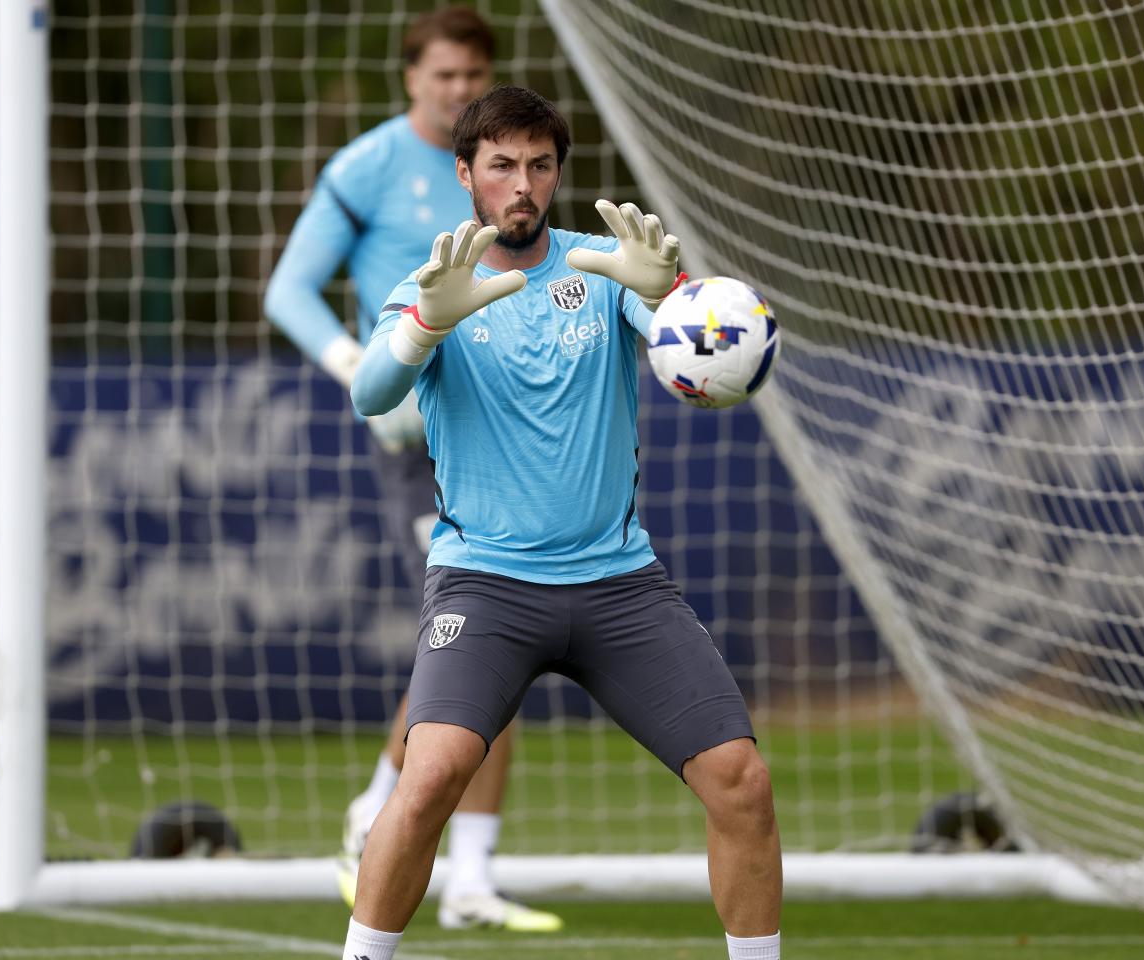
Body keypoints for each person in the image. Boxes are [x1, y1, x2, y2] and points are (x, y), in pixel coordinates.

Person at [341, 84, 783, 960]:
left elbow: (691, 346)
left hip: (619, 585)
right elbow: (369, 394)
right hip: (484, 586)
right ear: (465, 173)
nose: (522, 185)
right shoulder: (435, 284)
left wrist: (672, 293)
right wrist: (427, 322)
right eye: (502, 165)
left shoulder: (603, 265)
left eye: (540, 166)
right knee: (427, 779)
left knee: (742, 780)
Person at [263, 7, 561, 933]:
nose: (459, 89)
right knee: (485, 636)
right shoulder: (366, 167)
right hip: (417, 441)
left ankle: (461, 872)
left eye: (473, 74)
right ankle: (395, 821)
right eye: (443, 75)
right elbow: (288, 289)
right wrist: (356, 362)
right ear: (411, 79)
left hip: (508, 433)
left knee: (496, 646)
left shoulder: (507, 169)